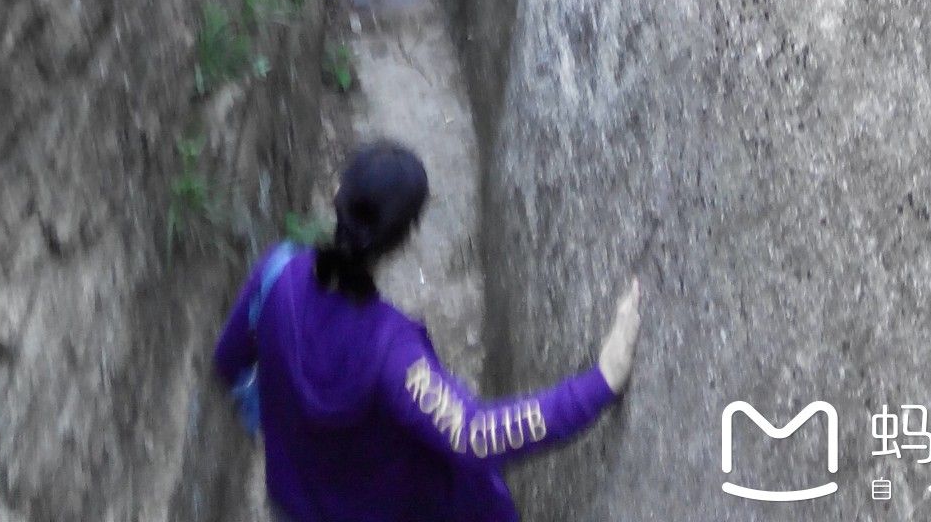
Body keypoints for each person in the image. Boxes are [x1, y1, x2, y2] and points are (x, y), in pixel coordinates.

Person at [214, 141, 641, 522]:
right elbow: (476, 435)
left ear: (336, 197)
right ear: (405, 237)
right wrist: (599, 382)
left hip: (292, 503)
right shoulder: (394, 354)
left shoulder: (274, 275)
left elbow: (229, 362)